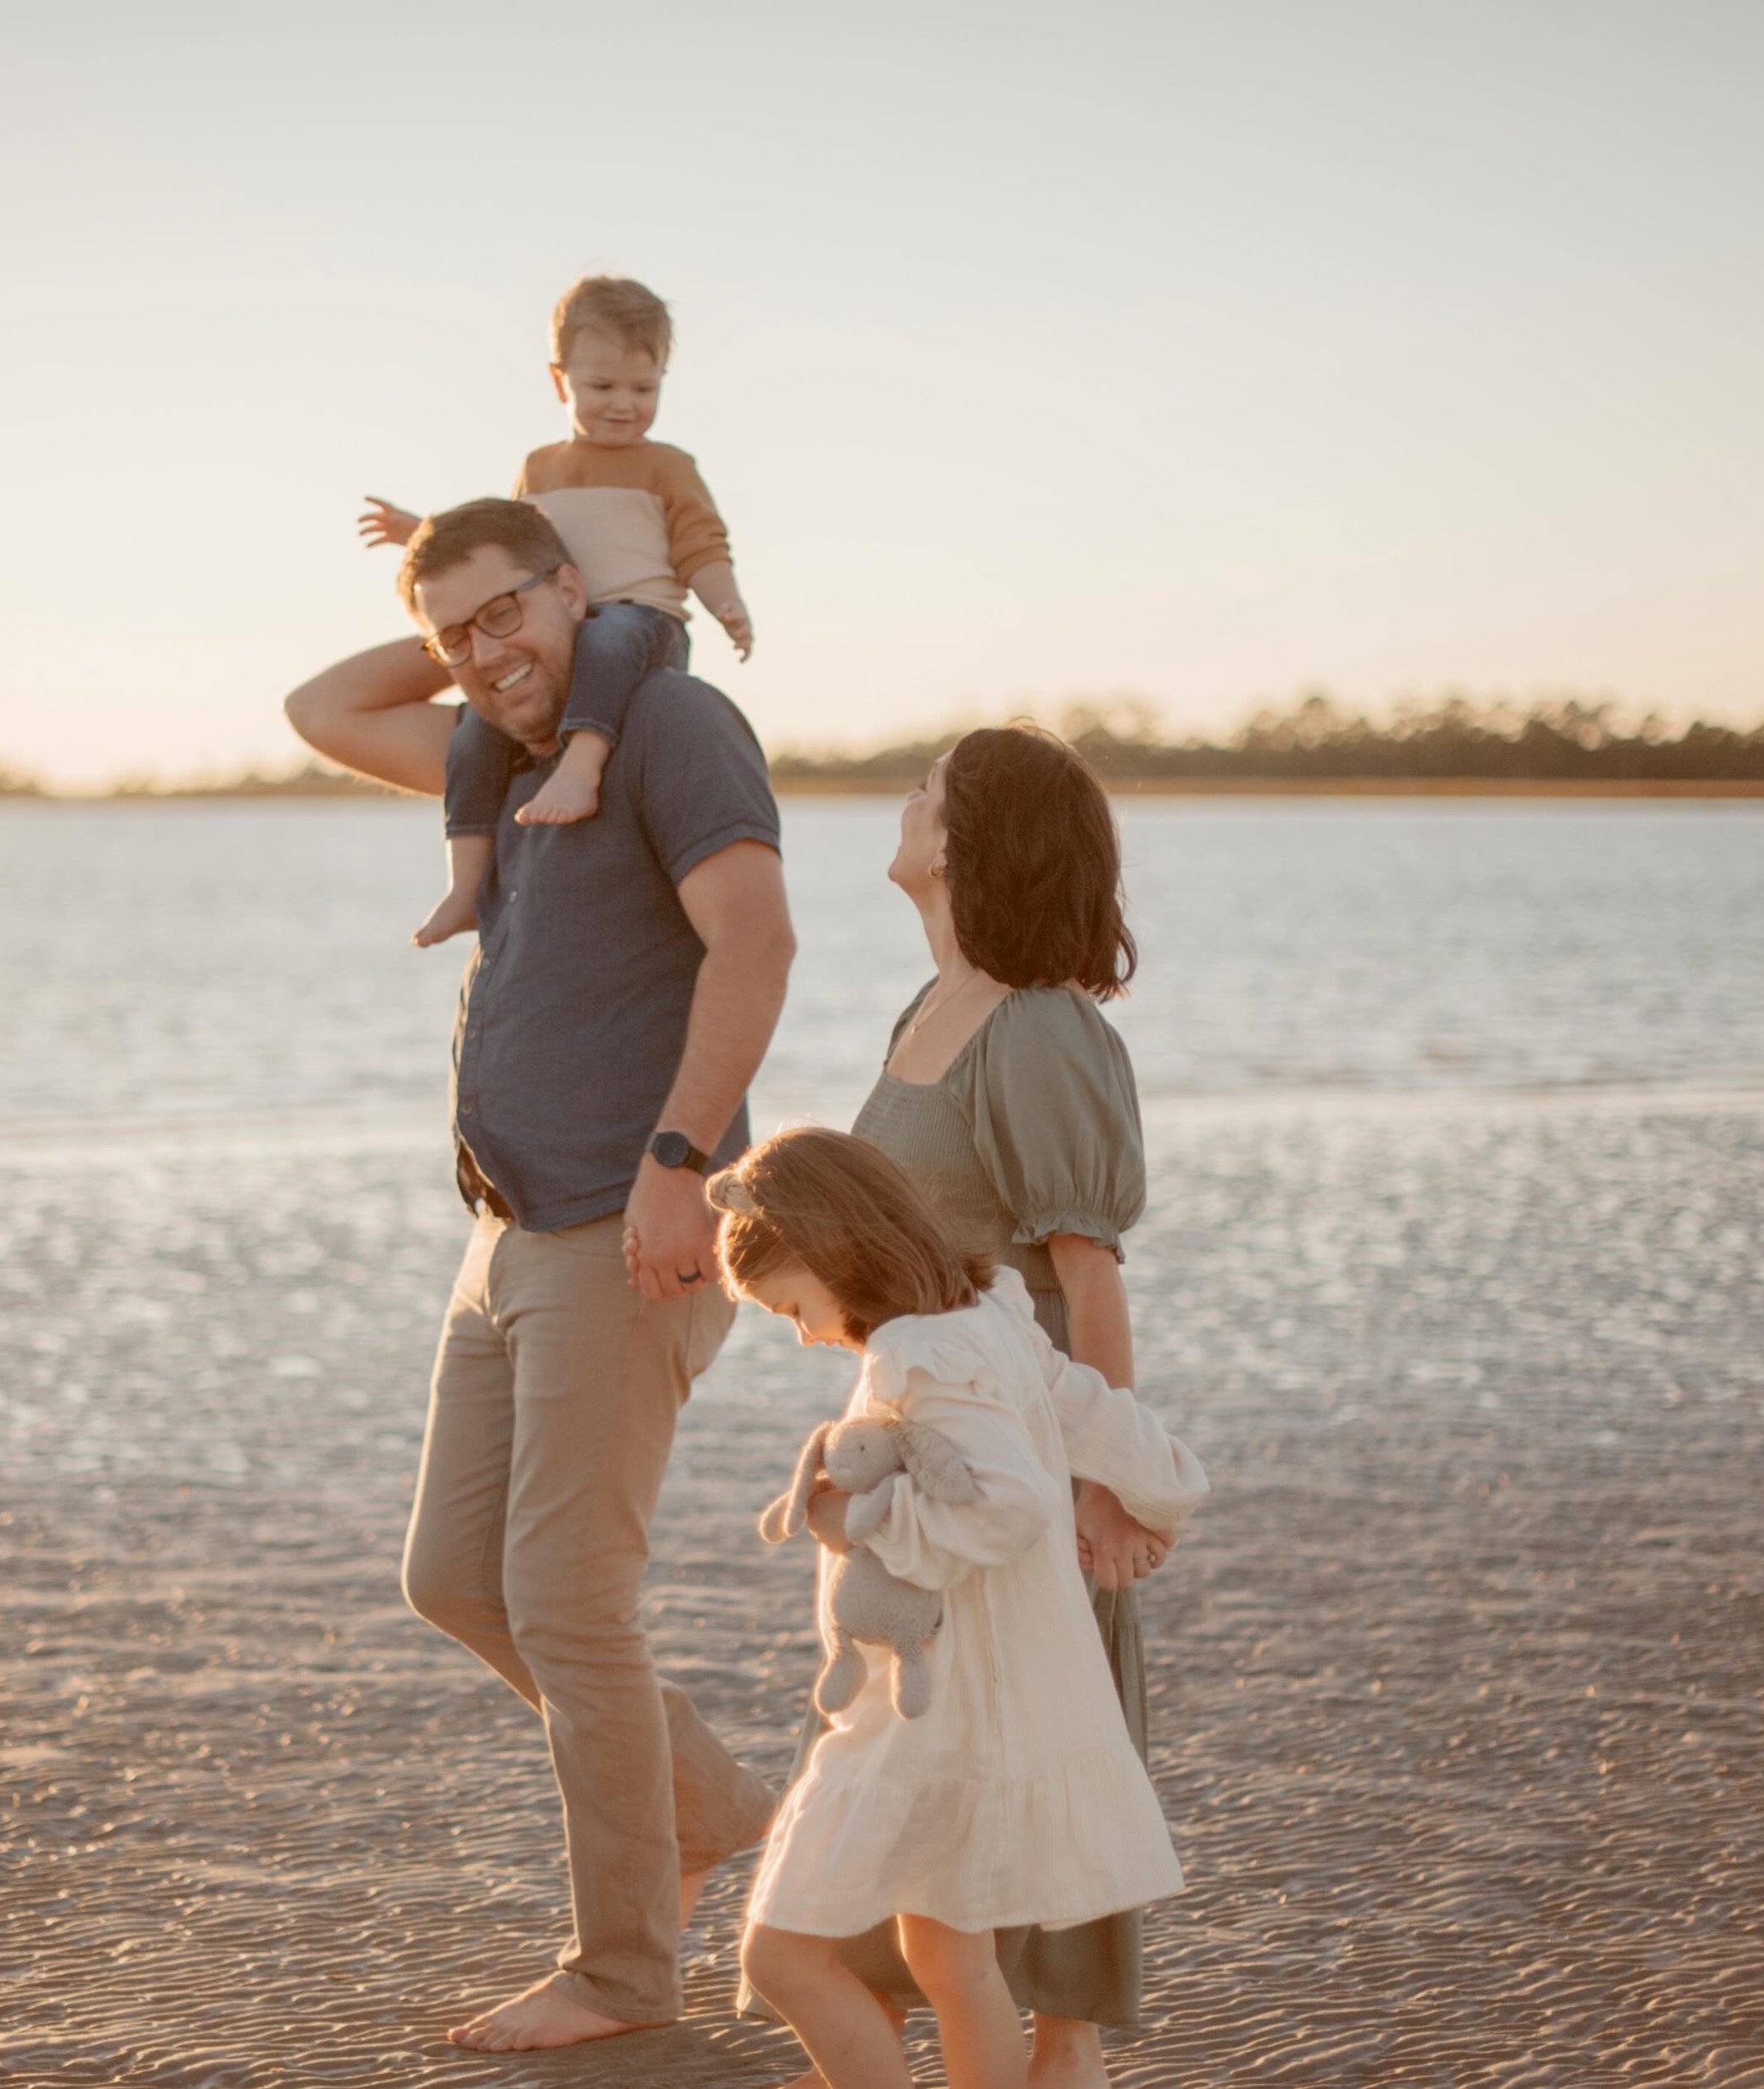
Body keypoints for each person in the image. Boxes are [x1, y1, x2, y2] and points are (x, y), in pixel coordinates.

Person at [282, 496, 794, 2055]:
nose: (483, 651)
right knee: (454, 1580)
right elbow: (323, 708)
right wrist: (475, 623)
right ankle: (704, 1807)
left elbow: (756, 946)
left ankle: (627, 1973)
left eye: (512, 610)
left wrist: (679, 1164)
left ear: (583, 589)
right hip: (503, 1231)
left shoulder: (672, 723)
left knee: (571, 1609)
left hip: (623, 1226)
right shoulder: (497, 754)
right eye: (458, 630)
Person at [750, 723, 1173, 2089]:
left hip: (1020, 1471)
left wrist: (1105, 1488)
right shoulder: (928, 1011)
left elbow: (1086, 1277)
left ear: (972, 838)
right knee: (929, 1850)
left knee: (1038, 1895)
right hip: (932, 1468)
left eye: (929, 789)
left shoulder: (1042, 1026)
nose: (906, 801)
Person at [710, 1126, 1208, 2089]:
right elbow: (1083, 1407)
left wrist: (854, 1516)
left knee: (778, 1957)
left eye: (791, 1306)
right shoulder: (988, 1313)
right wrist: (1163, 1490)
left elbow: (1009, 1503)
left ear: (828, 1250)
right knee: (949, 1958)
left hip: (926, 1719)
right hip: (984, 1710)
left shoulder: (917, 1352)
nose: (805, 1333)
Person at [358, 276, 755, 948]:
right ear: (559, 380)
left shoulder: (666, 466)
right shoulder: (539, 467)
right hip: (569, 636)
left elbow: (700, 544)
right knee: (477, 732)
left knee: (609, 635)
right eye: (603, 388)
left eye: (645, 388)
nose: (625, 406)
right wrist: (420, 530)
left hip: (645, 625)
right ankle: (464, 885)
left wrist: (725, 603)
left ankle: (582, 768)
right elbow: (502, 547)